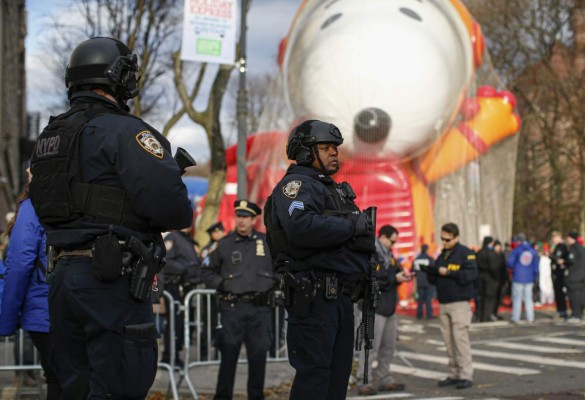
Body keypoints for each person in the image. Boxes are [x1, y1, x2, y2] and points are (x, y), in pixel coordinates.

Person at [29, 37, 193, 399]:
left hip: (62, 277)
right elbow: (175, 211)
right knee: (122, 382)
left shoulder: (50, 136)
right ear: (118, 77)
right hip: (110, 280)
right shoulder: (126, 131)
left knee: (75, 387)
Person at [265, 120, 374, 400]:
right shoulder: (296, 185)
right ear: (304, 152)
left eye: (335, 148)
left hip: (339, 300)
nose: (334, 153)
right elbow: (301, 227)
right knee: (315, 380)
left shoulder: (331, 189)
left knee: (336, 380)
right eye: (325, 148)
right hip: (314, 299)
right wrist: (352, 227)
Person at [201, 199, 275, 400]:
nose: (241, 221)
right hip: (233, 309)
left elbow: (280, 270)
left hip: (260, 310)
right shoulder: (224, 245)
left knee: (258, 358)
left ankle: (256, 396)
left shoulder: (267, 243)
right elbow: (206, 271)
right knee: (228, 358)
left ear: (254, 219)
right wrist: (223, 284)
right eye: (239, 217)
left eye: (246, 217)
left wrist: (273, 284)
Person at [0, 171, 61, 399]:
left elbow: (19, 263)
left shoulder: (34, 204)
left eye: (31, 169)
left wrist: (6, 321)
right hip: (82, 305)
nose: (26, 172)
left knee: (58, 379)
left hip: (43, 309)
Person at [356, 225, 409, 396]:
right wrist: (394, 278)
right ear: (383, 237)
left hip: (389, 306)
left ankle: (385, 378)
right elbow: (373, 278)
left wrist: (402, 276)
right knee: (370, 347)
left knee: (388, 347)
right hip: (374, 307)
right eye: (392, 241)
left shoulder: (389, 255)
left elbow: (394, 272)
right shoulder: (372, 253)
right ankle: (364, 382)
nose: (393, 244)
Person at [427, 222, 477, 390]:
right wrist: (430, 272)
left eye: (447, 239)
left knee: (460, 341)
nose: (444, 242)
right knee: (449, 342)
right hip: (444, 302)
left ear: (456, 237)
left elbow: (470, 275)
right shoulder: (442, 255)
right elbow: (435, 278)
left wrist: (448, 272)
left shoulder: (465, 253)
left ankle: (465, 375)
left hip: (459, 303)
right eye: (442, 239)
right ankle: (454, 373)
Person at [159, 226, 202, 368]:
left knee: (179, 324)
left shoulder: (187, 240)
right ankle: (169, 356)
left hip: (184, 288)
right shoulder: (173, 238)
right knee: (174, 324)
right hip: (174, 286)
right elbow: (164, 261)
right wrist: (185, 269)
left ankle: (174, 355)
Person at [507, 233, 539, 323]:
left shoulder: (516, 250)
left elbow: (510, 263)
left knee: (517, 298)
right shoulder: (532, 251)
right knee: (528, 298)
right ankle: (530, 317)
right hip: (529, 278)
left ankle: (515, 317)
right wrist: (534, 276)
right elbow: (536, 266)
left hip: (518, 277)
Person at [476, 236, 500, 322]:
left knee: (480, 298)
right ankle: (486, 316)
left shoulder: (479, 252)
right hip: (490, 278)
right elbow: (494, 267)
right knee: (489, 298)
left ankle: (479, 315)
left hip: (480, 277)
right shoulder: (491, 253)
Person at [564, 231, 585, 321]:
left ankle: (576, 315)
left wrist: (564, 261)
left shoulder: (574, 248)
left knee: (574, 295)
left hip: (575, 276)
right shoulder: (582, 248)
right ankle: (581, 313)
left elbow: (571, 260)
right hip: (582, 276)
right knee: (581, 295)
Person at [412, 244, 436, 319]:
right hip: (428, 282)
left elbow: (413, 272)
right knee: (428, 299)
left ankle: (419, 315)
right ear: (427, 249)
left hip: (419, 282)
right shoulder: (429, 259)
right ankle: (429, 315)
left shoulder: (416, 259)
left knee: (420, 299)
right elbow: (433, 270)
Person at [550, 231, 569, 319]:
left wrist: (550, 255)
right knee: (557, 292)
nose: (552, 240)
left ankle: (563, 310)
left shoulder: (562, 246)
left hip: (559, 273)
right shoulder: (557, 246)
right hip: (555, 272)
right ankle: (560, 310)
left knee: (560, 292)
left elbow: (558, 258)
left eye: (553, 238)